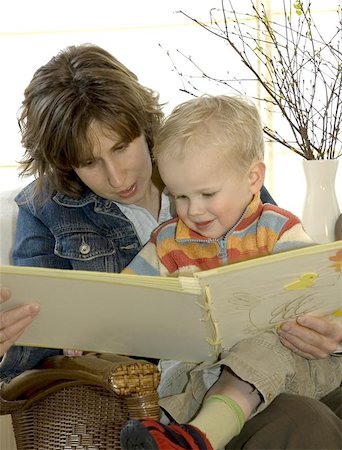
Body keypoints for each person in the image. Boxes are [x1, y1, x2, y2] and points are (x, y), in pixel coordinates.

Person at [0, 44, 341, 449]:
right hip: (171, 396)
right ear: (65, 165)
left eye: (122, 147)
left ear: (144, 128)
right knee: (304, 422)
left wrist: (330, 334)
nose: (116, 175)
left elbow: (289, 282)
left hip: (273, 365)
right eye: (89, 163)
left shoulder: (205, 158)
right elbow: (32, 349)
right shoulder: (47, 211)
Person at [117, 95, 342, 449]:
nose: (193, 210)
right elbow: (121, 295)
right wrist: (83, 332)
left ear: (253, 178)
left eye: (207, 193)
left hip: (290, 365)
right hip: (203, 377)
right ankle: (187, 435)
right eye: (179, 196)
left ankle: (199, 438)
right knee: (187, 375)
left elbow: (325, 295)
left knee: (261, 345)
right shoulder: (167, 243)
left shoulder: (278, 230)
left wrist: (330, 327)